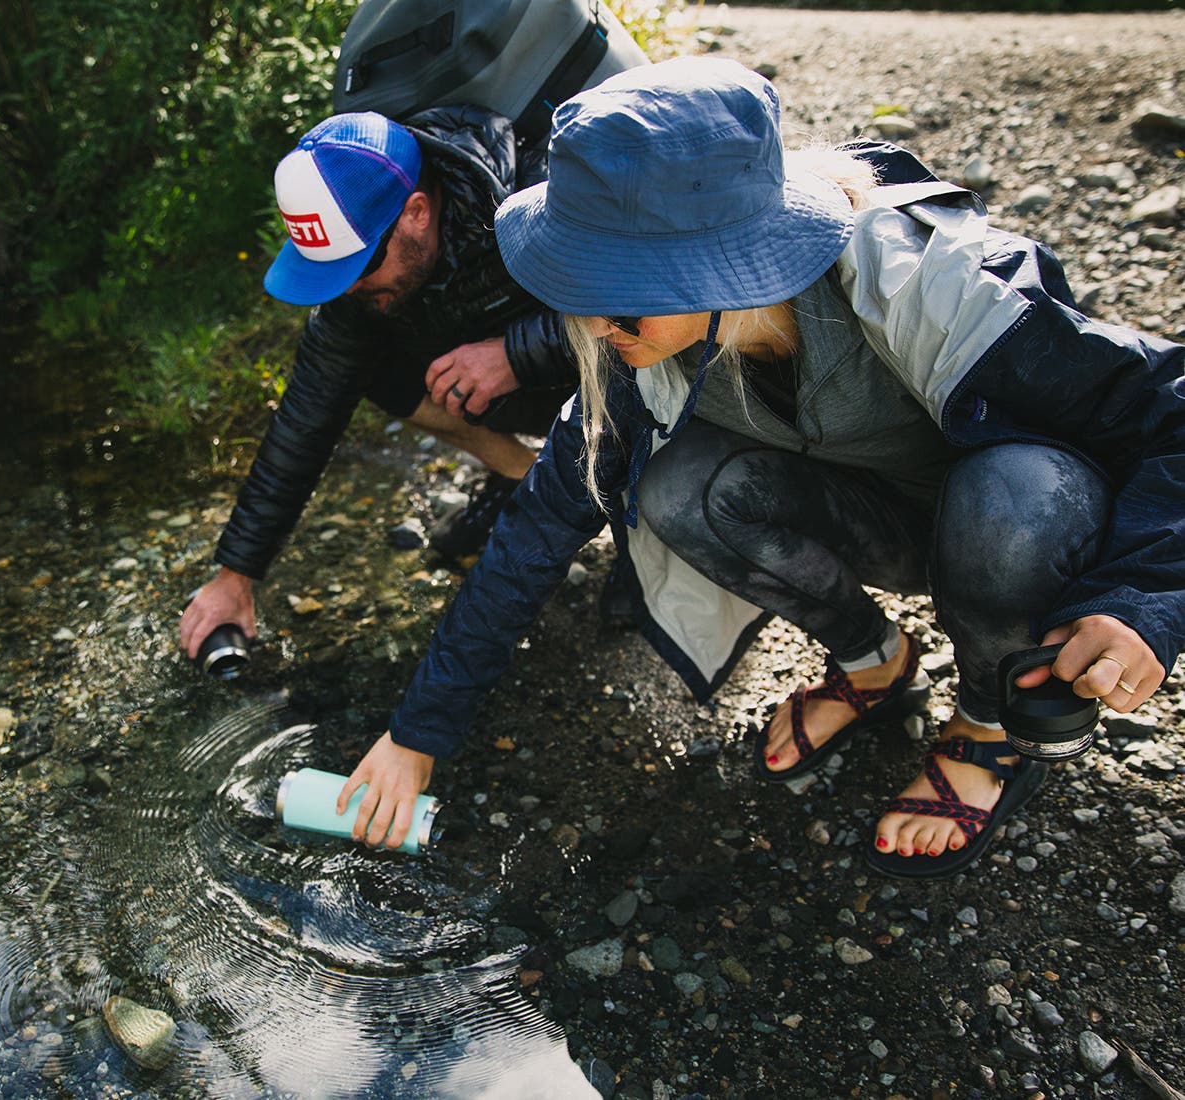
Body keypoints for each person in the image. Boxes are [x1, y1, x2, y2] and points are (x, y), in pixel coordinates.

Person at [337, 57, 1185, 879]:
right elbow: (538, 526)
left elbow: (1171, 412)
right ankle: (875, 664)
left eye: (617, 289)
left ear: (721, 261)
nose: (592, 325)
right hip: (888, 523)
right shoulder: (636, 349)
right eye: (578, 284)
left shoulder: (933, 282)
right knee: (677, 489)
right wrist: (417, 736)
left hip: (1020, 534)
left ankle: (989, 725)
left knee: (1011, 499)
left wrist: (1138, 602)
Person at [178, 108, 582, 664]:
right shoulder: (363, 281)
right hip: (513, 384)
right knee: (373, 372)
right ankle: (523, 477)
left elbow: (650, 306)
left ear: (416, 212)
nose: (348, 288)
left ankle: (626, 519)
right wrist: (236, 575)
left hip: (605, 380)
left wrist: (515, 354)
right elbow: (307, 416)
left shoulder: (541, 191)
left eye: (359, 266)